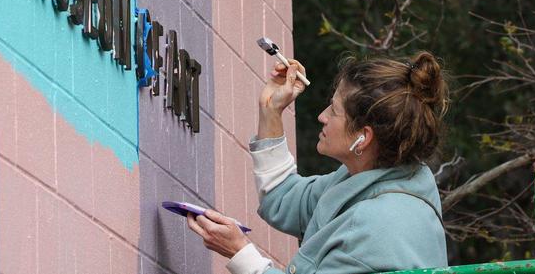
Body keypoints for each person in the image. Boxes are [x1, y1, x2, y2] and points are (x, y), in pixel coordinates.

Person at [187, 51, 450, 274]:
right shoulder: (375, 181)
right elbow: (284, 199)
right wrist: (271, 111)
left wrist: (240, 253)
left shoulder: (376, 228)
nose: (322, 117)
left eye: (334, 111)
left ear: (363, 137)